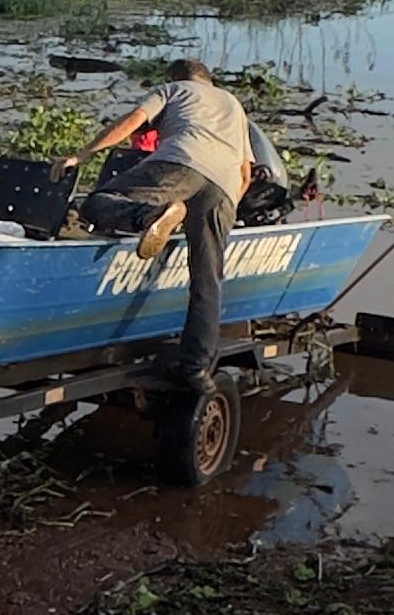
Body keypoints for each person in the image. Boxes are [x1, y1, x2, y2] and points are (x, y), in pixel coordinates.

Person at [67, 58, 254, 384]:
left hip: (180, 163)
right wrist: (224, 210)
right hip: (223, 187)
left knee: (95, 202)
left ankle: (151, 215)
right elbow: (246, 174)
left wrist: (82, 154)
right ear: (207, 80)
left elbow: (133, 120)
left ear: (175, 77)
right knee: (207, 280)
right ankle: (196, 369)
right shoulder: (232, 104)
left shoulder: (173, 89)